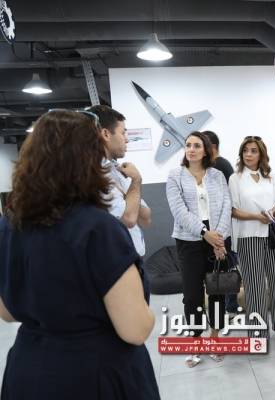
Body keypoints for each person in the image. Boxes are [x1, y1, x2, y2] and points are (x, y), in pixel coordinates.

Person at [0, 110, 159, 399]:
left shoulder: (10, 225)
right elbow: (136, 329)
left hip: (29, 370)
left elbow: (7, 311)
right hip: (96, 373)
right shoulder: (99, 229)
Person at [165, 131, 231, 367]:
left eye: (196, 145)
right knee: (192, 296)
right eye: (188, 145)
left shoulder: (217, 175)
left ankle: (215, 339)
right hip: (189, 241)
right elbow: (179, 211)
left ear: (206, 150)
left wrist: (218, 239)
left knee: (217, 292)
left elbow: (226, 206)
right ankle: (195, 342)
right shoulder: (175, 176)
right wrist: (205, 233)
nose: (191, 149)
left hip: (218, 239)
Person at [229, 136, 275, 339]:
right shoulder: (235, 178)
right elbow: (233, 210)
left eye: (253, 150)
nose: (248, 154)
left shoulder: (270, 176)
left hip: (272, 236)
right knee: (254, 286)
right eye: (245, 150)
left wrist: (273, 212)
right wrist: (257, 216)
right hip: (248, 237)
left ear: (261, 154)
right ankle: (258, 329)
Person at [88, 105, 151, 258]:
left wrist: (128, 197)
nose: (127, 139)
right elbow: (129, 218)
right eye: (123, 133)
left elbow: (146, 218)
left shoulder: (116, 169)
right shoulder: (94, 173)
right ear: (106, 134)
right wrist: (136, 181)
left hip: (132, 257)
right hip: (115, 260)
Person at [202, 130, 241, 317]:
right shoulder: (214, 165)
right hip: (216, 228)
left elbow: (228, 200)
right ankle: (227, 306)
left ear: (212, 146)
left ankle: (230, 307)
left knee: (227, 266)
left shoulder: (220, 166)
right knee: (224, 265)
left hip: (224, 227)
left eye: (202, 145)